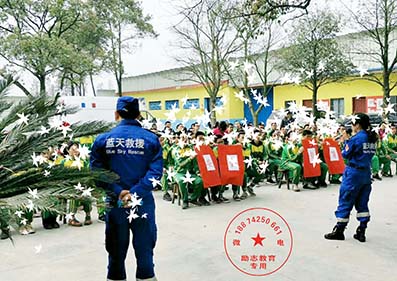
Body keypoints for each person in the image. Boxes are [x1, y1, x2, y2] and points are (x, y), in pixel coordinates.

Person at [90, 96, 163, 281]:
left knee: (115, 251)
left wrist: (118, 191)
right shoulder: (151, 140)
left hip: (115, 202)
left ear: (116, 114)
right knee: (145, 249)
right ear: (139, 114)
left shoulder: (102, 140)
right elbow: (155, 174)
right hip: (143, 202)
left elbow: (96, 173)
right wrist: (135, 193)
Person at [324, 113, 377, 243]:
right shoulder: (372, 137)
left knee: (346, 199)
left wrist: (346, 140)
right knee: (362, 203)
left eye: (352, 124)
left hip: (353, 173)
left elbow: (345, 154)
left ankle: (339, 231)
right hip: (365, 174)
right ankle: (361, 231)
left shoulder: (356, 138)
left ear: (357, 124)